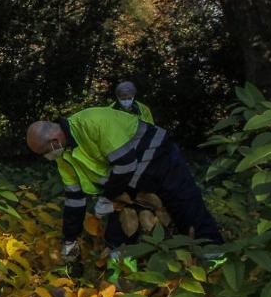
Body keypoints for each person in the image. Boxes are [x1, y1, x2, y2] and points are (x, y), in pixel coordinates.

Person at [26, 107, 220, 266]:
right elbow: (74, 199)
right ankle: (121, 282)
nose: (46, 157)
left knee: (186, 206)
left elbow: (126, 163)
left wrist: (106, 197)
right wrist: (69, 239)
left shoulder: (94, 122)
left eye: (45, 152)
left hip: (159, 157)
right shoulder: (63, 156)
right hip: (126, 180)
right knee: (116, 235)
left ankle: (217, 261)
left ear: (54, 141)